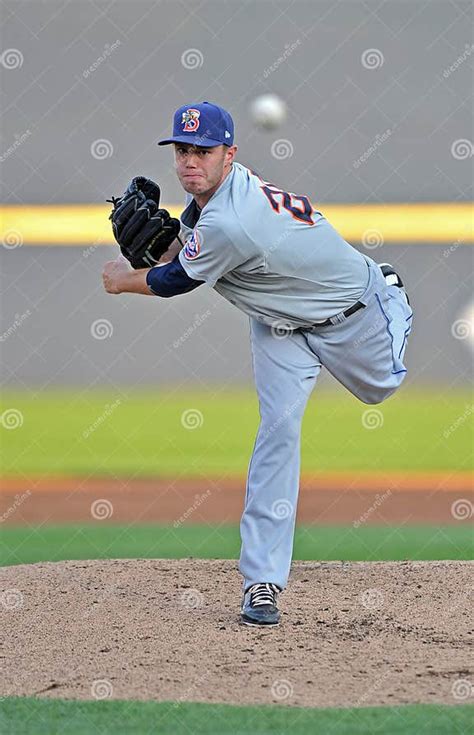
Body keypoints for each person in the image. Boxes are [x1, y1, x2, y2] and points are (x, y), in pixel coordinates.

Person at [102, 101, 413, 627]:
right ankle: (262, 582)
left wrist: (123, 277)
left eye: (203, 151)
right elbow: (190, 246)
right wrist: (169, 244)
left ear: (230, 154)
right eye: (182, 150)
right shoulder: (217, 198)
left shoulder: (234, 218)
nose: (189, 162)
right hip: (278, 326)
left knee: (380, 388)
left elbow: (176, 279)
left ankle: (390, 287)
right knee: (278, 431)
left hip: (353, 316)